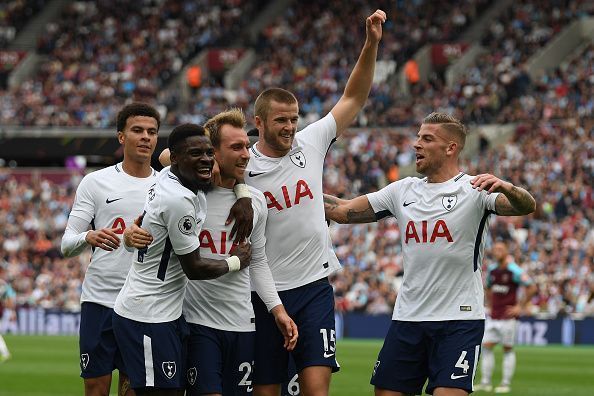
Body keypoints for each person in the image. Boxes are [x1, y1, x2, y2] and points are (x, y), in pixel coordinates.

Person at [157, 10, 386, 396]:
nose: (290, 127)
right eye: (281, 120)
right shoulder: (242, 159)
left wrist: (371, 44)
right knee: (266, 390)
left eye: (294, 119)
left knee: (316, 388)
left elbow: (353, 98)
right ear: (259, 123)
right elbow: (170, 159)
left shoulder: (311, 143)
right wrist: (239, 186)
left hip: (314, 285)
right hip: (262, 292)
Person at [323, 112, 536, 396]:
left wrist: (509, 187)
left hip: (458, 320)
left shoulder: (474, 190)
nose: (416, 144)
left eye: (427, 138)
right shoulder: (402, 190)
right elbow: (343, 210)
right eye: (417, 137)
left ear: (451, 148)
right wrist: (293, 191)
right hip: (408, 318)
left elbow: (525, 206)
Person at [127, 109, 298, 395]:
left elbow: (258, 261)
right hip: (197, 323)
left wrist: (277, 310)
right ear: (213, 153)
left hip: (243, 325)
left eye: (246, 146)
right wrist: (128, 235)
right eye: (236, 147)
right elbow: (167, 157)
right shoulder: (191, 195)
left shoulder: (255, 203)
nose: (246, 154)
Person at [112, 123, 252, 395]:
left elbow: (222, 167)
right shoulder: (178, 199)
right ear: (176, 158)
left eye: (209, 153)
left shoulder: (169, 175)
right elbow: (194, 268)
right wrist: (235, 261)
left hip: (167, 313)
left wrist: (243, 192)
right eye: (195, 154)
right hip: (148, 314)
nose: (207, 161)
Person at [61, 102, 162, 396]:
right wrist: (88, 236)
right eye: (137, 130)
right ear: (121, 136)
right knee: (95, 389)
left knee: (132, 390)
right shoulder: (96, 182)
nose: (145, 137)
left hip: (143, 304)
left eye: (152, 132)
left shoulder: (167, 186)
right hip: (99, 301)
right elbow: (67, 244)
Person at [475, 241, 537, 394]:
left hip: (508, 317)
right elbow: (488, 287)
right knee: (487, 347)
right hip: (494, 315)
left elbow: (532, 286)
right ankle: (485, 382)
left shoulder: (513, 270)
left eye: (500, 249)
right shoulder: (492, 270)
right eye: (495, 249)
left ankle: (505, 383)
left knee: (507, 349)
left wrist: (520, 307)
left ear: (506, 251)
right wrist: (490, 304)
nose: (497, 251)